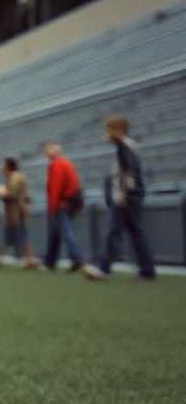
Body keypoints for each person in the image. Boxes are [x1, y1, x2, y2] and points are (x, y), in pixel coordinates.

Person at [83, 115, 156, 282]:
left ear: (118, 130)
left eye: (108, 131)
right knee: (136, 233)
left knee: (113, 231)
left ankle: (103, 268)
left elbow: (128, 170)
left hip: (127, 197)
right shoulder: (132, 145)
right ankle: (147, 271)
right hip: (135, 194)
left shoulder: (123, 146)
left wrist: (122, 193)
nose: (106, 135)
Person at [0, 157, 38, 269]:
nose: (2, 167)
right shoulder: (12, 176)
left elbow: (12, 193)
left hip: (18, 212)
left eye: (3, 164)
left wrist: (0, 193)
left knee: (21, 235)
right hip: (13, 213)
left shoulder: (16, 177)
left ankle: (30, 260)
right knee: (9, 235)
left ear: (8, 166)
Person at [42, 143, 83, 272]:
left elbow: (56, 187)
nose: (46, 152)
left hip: (61, 204)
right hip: (69, 202)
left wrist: (53, 207)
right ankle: (50, 262)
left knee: (65, 232)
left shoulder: (57, 164)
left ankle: (76, 258)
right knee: (56, 233)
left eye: (49, 149)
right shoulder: (66, 163)